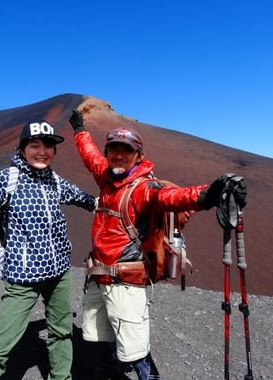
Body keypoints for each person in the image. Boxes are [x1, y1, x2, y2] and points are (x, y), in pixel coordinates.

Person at [69, 110, 247, 380]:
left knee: (135, 349)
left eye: (125, 150)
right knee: (96, 336)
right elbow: (89, 155)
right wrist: (79, 130)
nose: (118, 155)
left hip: (125, 281)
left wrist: (208, 194)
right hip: (97, 277)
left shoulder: (143, 188)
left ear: (138, 156)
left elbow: (173, 197)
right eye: (113, 149)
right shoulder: (106, 176)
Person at [0, 120, 97, 380]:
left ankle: (61, 377)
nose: (42, 151)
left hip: (59, 272)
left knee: (61, 332)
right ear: (22, 148)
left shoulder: (53, 181)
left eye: (48, 146)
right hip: (23, 277)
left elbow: (83, 198)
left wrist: (104, 204)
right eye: (34, 145)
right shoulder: (7, 180)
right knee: (2, 342)